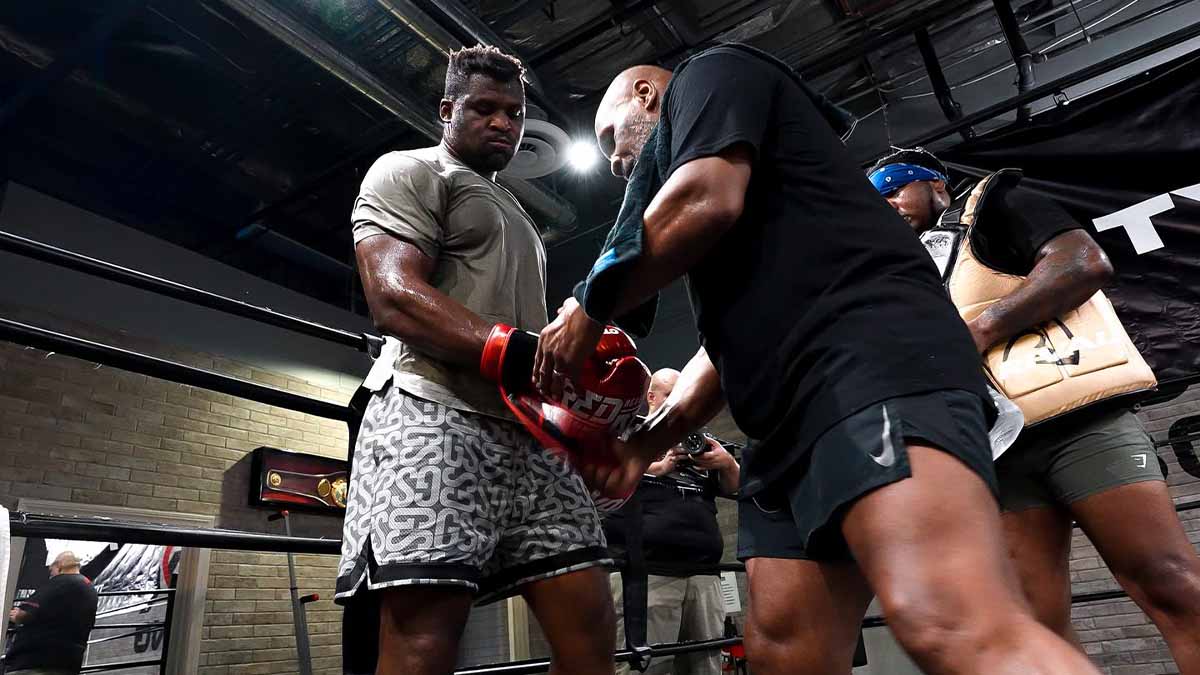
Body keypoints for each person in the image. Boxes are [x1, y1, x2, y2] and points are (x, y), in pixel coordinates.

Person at [533, 43, 1102, 674]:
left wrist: (590, 307)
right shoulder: (747, 233)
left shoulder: (714, 73)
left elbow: (704, 198)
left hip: (865, 366)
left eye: (612, 135)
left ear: (646, 95)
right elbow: (724, 350)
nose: (615, 162)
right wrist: (645, 444)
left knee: (948, 620)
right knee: (784, 655)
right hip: (780, 429)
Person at [334, 45, 617, 675]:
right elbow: (392, 297)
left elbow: (536, 340)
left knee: (593, 622)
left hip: (528, 430)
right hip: (433, 414)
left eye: (514, 114)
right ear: (447, 109)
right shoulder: (409, 170)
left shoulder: (515, 209)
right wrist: (513, 351)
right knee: (425, 638)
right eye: (484, 108)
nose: (503, 124)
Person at [871, 147, 1200, 673]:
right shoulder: (902, 266)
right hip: (993, 447)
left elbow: (1084, 262)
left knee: (1166, 578)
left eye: (893, 186)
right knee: (1035, 620)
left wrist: (978, 329)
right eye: (874, 197)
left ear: (936, 185)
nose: (884, 202)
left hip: (1078, 421)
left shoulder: (997, 203)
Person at [603, 368, 738, 675]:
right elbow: (602, 482)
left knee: (707, 667)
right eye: (669, 395)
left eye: (682, 395)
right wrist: (657, 467)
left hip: (704, 576)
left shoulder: (696, 441)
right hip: (648, 574)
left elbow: (739, 488)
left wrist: (726, 462)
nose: (678, 403)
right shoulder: (626, 433)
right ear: (651, 397)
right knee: (645, 668)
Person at [5, 551, 98, 675]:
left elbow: (25, 614)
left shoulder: (60, 582)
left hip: (35, 661)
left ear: (59, 566)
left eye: (51, 570)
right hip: (70, 662)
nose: (51, 574)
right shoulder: (90, 589)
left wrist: (16, 615)